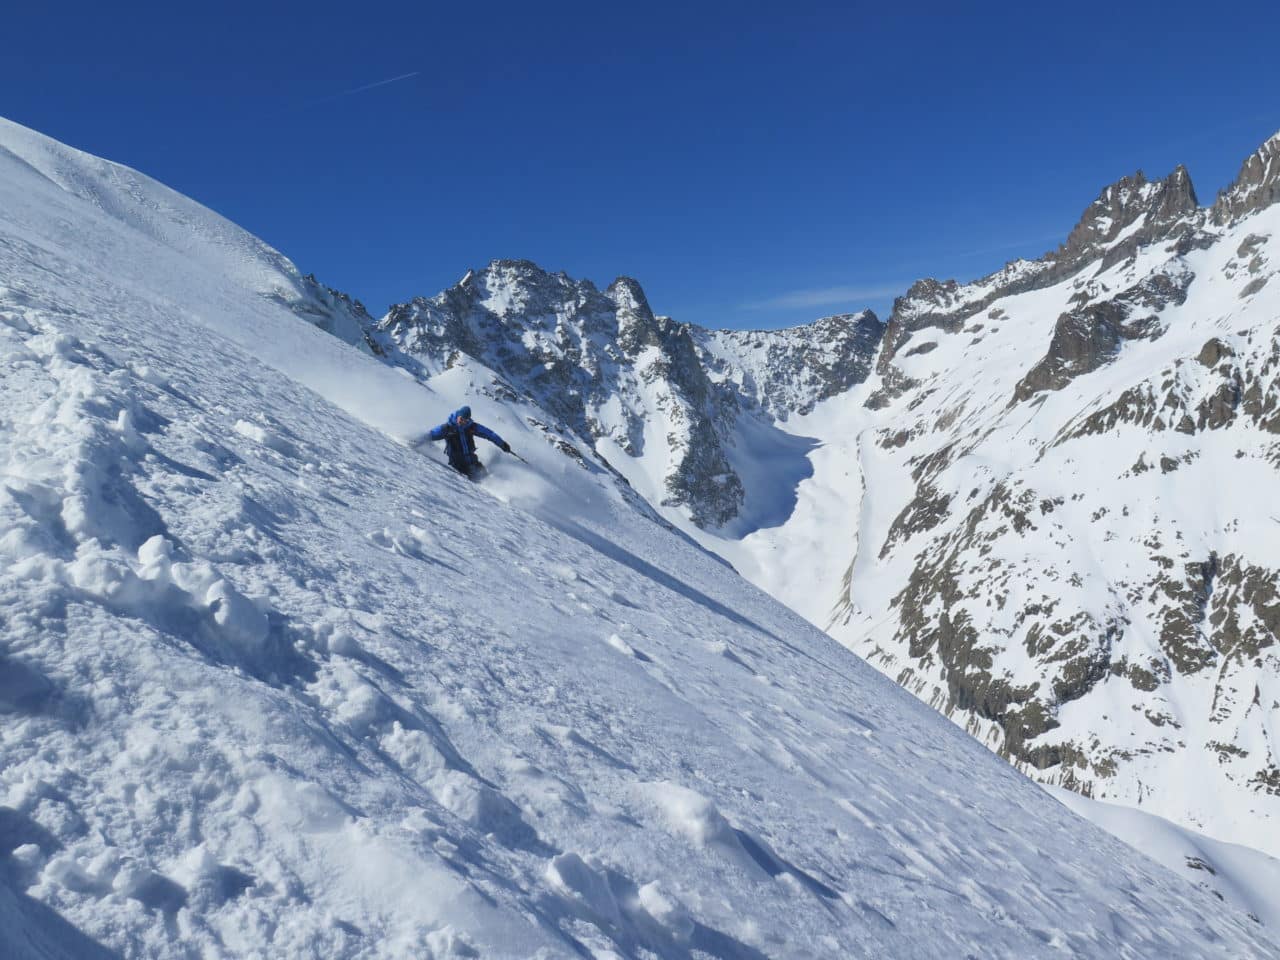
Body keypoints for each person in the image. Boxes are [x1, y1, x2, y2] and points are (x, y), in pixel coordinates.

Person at [421, 405, 511, 477]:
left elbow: (489, 434)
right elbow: (431, 435)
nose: (463, 422)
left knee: (486, 478)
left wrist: (502, 444)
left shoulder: (471, 427)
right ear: (458, 416)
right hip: (458, 465)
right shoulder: (447, 428)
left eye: (465, 420)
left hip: (473, 461)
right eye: (461, 419)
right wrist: (417, 440)